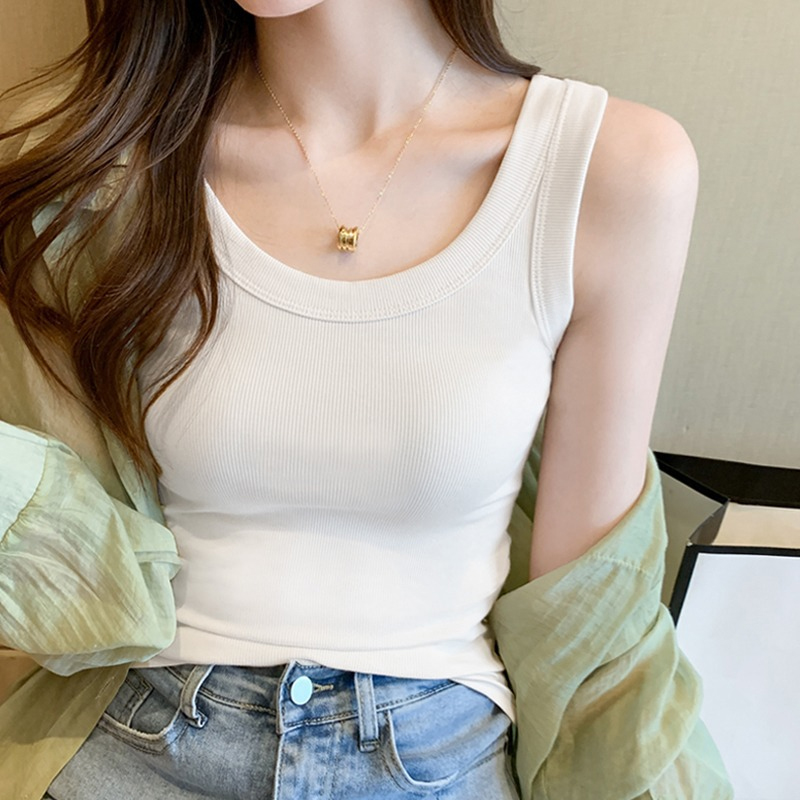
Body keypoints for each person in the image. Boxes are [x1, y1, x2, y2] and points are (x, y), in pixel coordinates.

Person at [0, 0, 703, 798]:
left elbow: (591, 625)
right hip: (134, 739)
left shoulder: (606, 167)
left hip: (438, 754)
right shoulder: (93, 160)